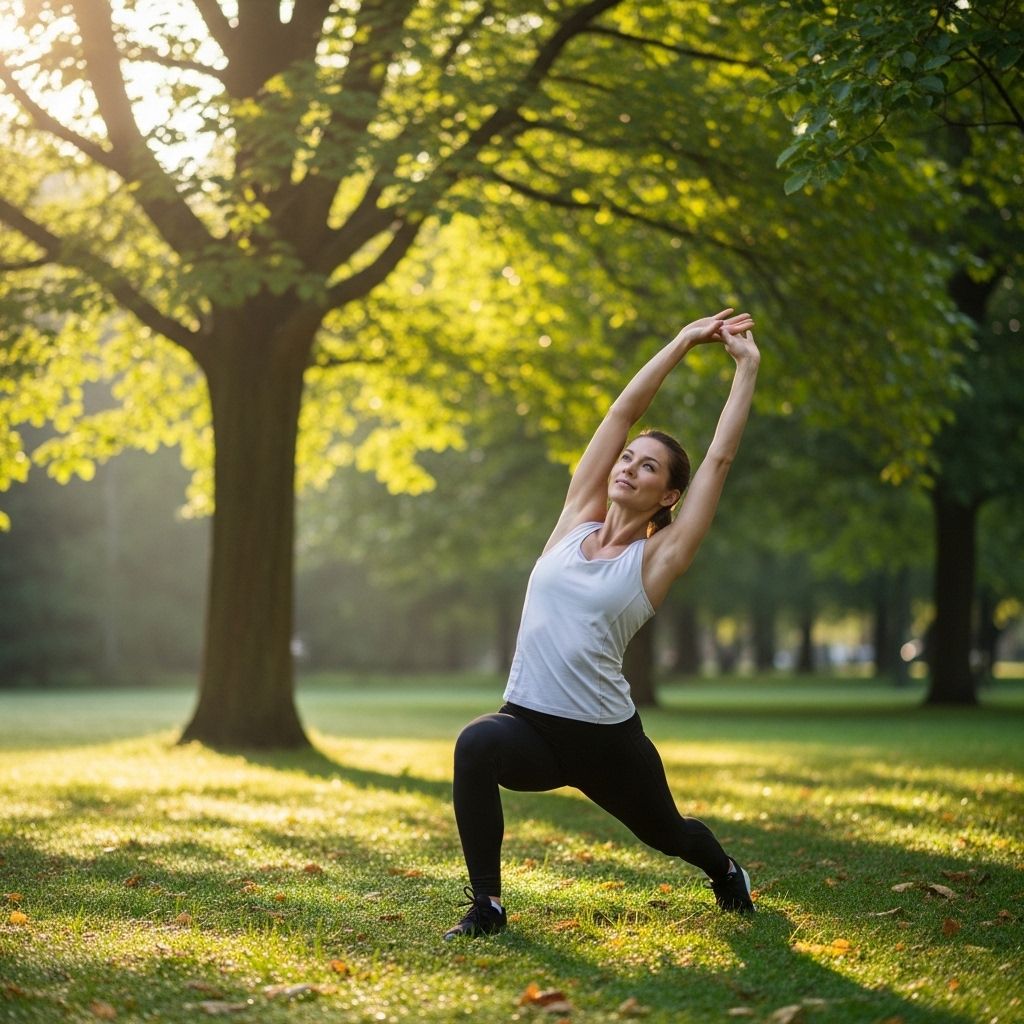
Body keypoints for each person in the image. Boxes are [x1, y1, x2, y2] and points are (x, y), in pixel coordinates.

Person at [444, 309, 761, 940]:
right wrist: (680, 341)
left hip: (604, 739)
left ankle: (726, 872)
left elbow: (720, 459)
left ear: (668, 496)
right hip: (528, 723)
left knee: (669, 834)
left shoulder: (658, 559)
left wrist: (745, 370)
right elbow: (620, 414)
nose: (628, 467)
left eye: (648, 468)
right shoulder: (573, 521)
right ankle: (488, 907)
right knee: (475, 744)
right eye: (629, 458)